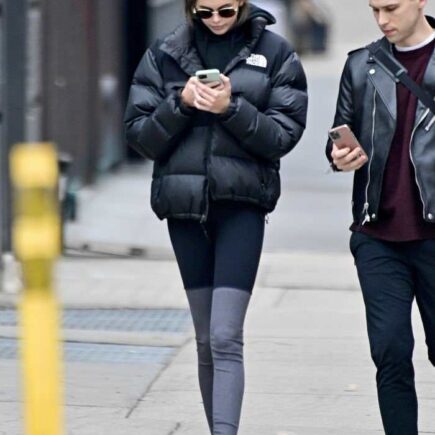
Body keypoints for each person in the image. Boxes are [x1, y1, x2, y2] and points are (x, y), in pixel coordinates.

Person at [124, 1, 308, 433]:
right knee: (206, 340)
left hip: (242, 206)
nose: (217, 21)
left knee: (225, 335)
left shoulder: (276, 53)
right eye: (205, 12)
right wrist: (182, 103)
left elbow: (282, 135)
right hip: (184, 206)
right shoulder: (164, 52)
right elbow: (140, 136)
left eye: (226, 10)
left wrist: (230, 107)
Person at [326, 1, 435, 434]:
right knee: (389, 352)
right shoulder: (361, 65)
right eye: (374, 9)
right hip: (378, 235)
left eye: (390, 7)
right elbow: (339, 134)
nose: (382, 20)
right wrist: (340, 156)